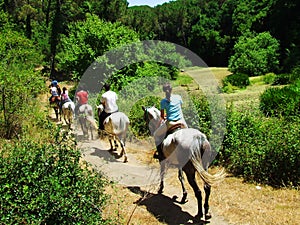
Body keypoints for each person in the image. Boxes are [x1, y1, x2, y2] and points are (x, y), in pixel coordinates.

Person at [153, 82, 187, 159]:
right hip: (181, 122)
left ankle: (160, 155)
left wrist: (166, 116)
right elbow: (180, 108)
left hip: (170, 123)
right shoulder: (178, 97)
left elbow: (162, 116)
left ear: (164, 91)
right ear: (172, 89)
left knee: (156, 135)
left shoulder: (163, 102)